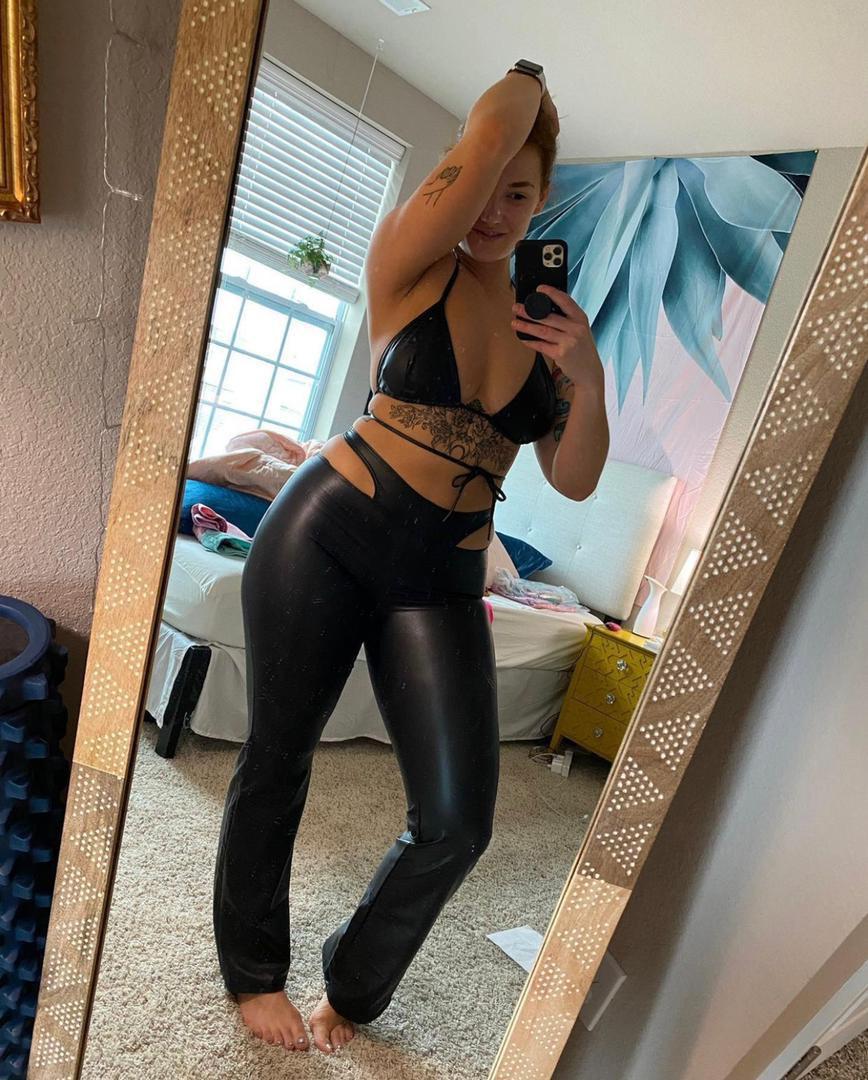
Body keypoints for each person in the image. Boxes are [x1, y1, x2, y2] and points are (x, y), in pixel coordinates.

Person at [212, 61, 610, 1056]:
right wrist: (528, 81)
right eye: (485, 187)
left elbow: (573, 478)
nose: (495, 212)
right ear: (458, 177)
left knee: (458, 820)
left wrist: (588, 375)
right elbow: (496, 129)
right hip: (328, 531)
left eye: (520, 196)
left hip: (442, 579)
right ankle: (253, 973)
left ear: (541, 205)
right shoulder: (412, 261)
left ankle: (351, 984)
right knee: (279, 757)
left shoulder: (543, 329)